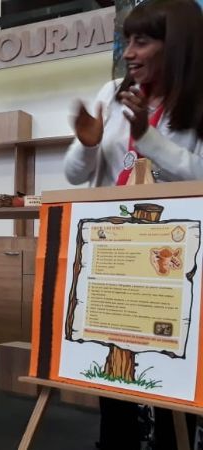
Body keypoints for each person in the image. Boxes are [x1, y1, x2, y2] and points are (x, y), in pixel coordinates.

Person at [63, 1, 203, 448]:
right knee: (115, 379)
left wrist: (147, 138)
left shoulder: (198, 100)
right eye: (127, 41)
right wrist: (87, 144)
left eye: (142, 41)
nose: (128, 53)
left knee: (170, 383)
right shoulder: (111, 93)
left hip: (174, 269)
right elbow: (73, 174)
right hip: (112, 261)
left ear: (176, 45)